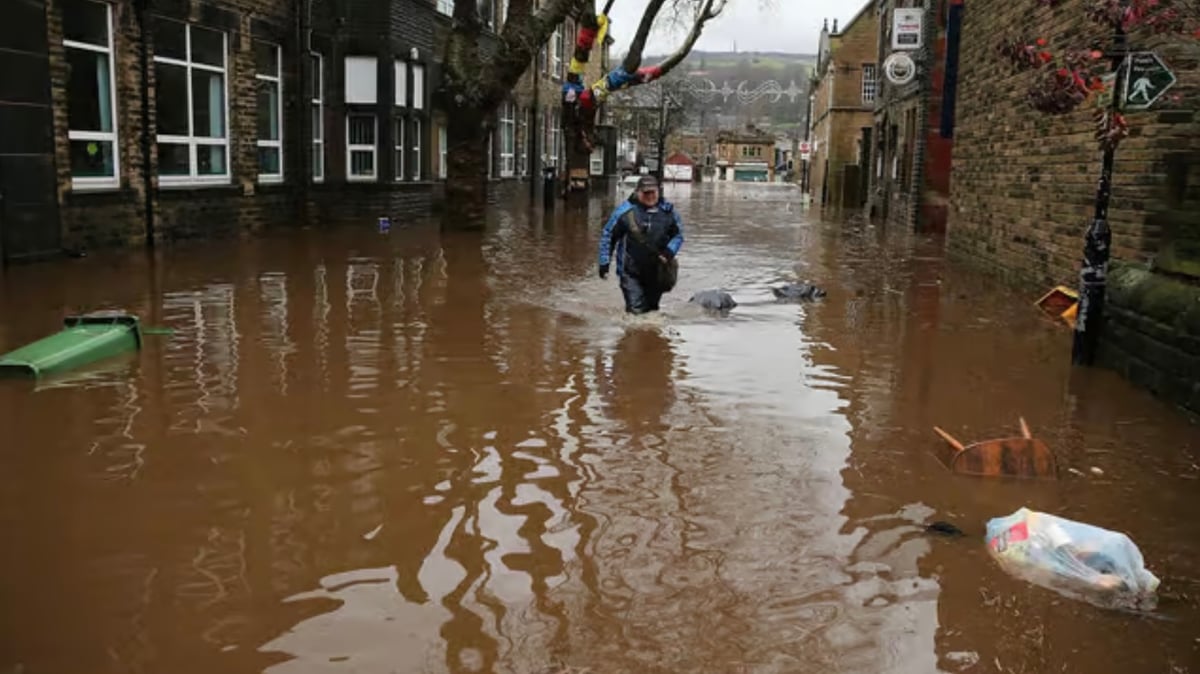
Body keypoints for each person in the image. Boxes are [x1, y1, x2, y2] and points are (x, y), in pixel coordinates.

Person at [597, 175, 684, 314]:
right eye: (646, 193)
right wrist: (604, 263)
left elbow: (678, 235)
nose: (650, 196)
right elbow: (608, 236)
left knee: (652, 310)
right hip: (630, 272)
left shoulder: (669, 212)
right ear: (638, 192)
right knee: (635, 310)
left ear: (658, 192)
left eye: (653, 192)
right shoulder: (624, 212)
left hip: (657, 272)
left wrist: (669, 252)